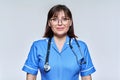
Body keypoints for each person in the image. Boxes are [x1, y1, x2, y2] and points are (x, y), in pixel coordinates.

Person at [22, 4, 96, 80]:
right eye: (54, 19)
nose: (60, 23)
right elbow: (31, 77)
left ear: (70, 22)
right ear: (49, 23)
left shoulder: (81, 47)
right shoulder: (38, 46)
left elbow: (86, 77)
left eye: (64, 19)